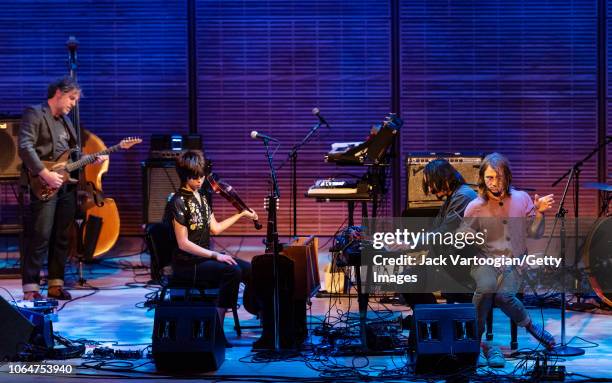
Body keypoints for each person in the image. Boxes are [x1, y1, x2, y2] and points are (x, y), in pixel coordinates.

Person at [462, 152, 556, 367]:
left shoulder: (521, 198)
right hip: (484, 260)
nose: (495, 183)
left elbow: (535, 233)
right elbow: (463, 238)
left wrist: (540, 213)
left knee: (503, 296)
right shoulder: (475, 205)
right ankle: (475, 344)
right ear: (483, 179)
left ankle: (531, 326)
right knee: (486, 287)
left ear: (508, 176)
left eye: (500, 177)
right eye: (490, 178)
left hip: (514, 262)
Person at [18, 76, 107, 301]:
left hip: (67, 186)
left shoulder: (66, 122)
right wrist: (44, 174)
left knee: (62, 237)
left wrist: (90, 159)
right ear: (58, 93)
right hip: (44, 183)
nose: (73, 103)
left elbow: (71, 156)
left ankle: (55, 285)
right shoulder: (35, 113)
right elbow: (25, 146)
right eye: (71, 98)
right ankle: (31, 288)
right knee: (41, 235)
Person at [164, 150, 258, 341]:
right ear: (184, 176)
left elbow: (215, 229)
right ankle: (217, 329)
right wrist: (216, 256)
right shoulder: (177, 202)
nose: (199, 180)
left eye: (201, 176)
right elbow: (183, 243)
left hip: (204, 259)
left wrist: (240, 214)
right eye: (194, 177)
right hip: (188, 264)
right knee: (232, 271)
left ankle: (259, 311)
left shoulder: (204, 197)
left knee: (250, 270)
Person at [402, 158, 477, 308]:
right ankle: (432, 321)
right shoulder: (453, 197)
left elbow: (444, 233)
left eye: (430, 183)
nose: (429, 190)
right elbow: (435, 231)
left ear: (443, 177)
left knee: (408, 280)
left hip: (461, 266)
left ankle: (434, 321)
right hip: (448, 261)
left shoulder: (463, 197)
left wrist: (410, 244)